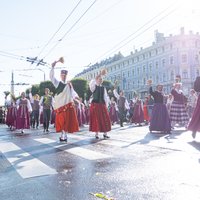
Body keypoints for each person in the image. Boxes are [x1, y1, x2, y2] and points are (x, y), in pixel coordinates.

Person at [50, 58, 79, 142]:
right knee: (62, 121)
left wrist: (76, 97)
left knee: (66, 121)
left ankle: (64, 135)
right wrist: (52, 68)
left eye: (65, 75)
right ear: (60, 75)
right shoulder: (57, 83)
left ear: (66, 75)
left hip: (68, 104)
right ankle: (63, 134)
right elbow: (51, 77)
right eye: (62, 75)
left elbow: (73, 92)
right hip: (60, 105)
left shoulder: (69, 84)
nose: (64, 76)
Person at [89, 70, 111, 139]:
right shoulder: (94, 87)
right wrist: (99, 74)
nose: (100, 80)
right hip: (95, 105)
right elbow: (91, 84)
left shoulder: (103, 88)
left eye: (101, 79)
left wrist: (106, 105)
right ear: (97, 80)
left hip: (102, 105)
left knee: (105, 119)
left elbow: (105, 97)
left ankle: (105, 133)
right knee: (96, 119)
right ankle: (96, 134)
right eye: (99, 79)